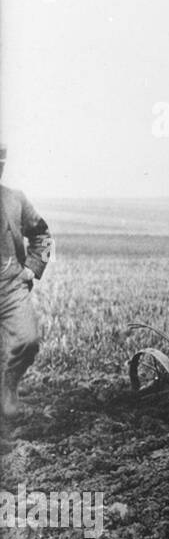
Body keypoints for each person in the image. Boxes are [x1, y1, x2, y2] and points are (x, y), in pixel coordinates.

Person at [0, 143, 52, 421]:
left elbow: (43, 236)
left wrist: (32, 268)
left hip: (10, 286)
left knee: (29, 341)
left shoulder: (14, 199)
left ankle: (9, 385)